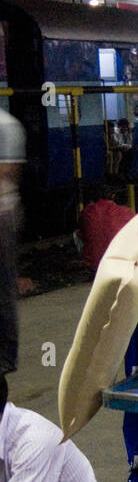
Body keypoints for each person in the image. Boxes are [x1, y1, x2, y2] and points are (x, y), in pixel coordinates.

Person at [0, 109, 23, 376]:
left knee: (3, 290)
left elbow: (7, 170)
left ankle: (6, 357)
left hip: (2, 216)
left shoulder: (7, 126)